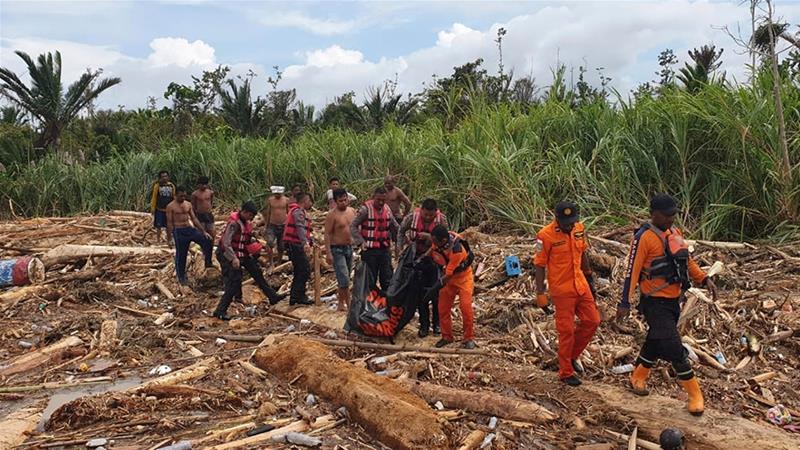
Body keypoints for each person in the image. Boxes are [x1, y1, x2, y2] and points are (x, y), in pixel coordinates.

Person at [617, 193, 717, 416]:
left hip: (674, 300)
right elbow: (631, 271)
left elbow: (687, 261)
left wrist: (704, 278)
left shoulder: (675, 233)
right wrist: (624, 301)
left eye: (674, 215)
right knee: (673, 346)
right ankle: (694, 394)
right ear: (654, 214)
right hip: (654, 302)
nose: (672, 219)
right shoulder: (643, 238)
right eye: (667, 216)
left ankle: (638, 376)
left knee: (656, 339)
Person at [533, 201, 600, 387]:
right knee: (566, 331)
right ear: (557, 219)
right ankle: (565, 371)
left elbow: (583, 253)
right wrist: (540, 293)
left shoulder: (579, 228)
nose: (569, 226)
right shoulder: (545, 235)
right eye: (566, 223)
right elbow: (539, 264)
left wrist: (589, 277)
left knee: (593, 321)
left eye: (572, 222)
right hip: (562, 290)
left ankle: (571, 356)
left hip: (581, 284)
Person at [213, 201, 286, 320]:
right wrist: (233, 258)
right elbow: (226, 242)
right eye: (251, 216)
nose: (251, 219)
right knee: (233, 281)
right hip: (227, 254)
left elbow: (245, 238)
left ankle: (272, 296)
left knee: (257, 272)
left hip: (242, 253)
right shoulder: (234, 224)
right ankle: (220, 310)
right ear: (244, 212)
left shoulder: (245, 223)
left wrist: (255, 244)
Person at [431, 225, 476, 349]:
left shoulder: (457, 250)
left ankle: (468, 338)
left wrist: (434, 289)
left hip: (463, 278)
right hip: (449, 280)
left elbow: (448, 275)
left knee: (465, 308)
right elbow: (433, 252)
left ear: (443, 241)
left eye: (434, 241)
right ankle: (447, 337)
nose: (433, 244)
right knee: (443, 309)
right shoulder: (440, 241)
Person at [350, 187, 399, 292]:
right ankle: (369, 304)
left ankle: (387, 302)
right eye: (378, 200)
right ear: (374, 197)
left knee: (387, 278)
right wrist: (361, 242)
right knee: (369, 280)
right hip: (370, 250)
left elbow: (394, 226)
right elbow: (353, 226)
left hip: (384, 249)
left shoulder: (387, 209)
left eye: (383, 200)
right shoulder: (365, 210)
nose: (381, 202)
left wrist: (400, 240)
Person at [166, 186, 213, 286]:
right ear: (175, 195)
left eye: (184, 196)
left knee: (207, 240)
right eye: (180, 196)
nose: (182, 198)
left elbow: (194, 219)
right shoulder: (171, 206)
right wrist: (169, 238)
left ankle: (208, 262)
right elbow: (169, 223)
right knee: (181, 255)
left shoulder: (188, 204)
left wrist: (203, 231)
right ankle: (181, 277)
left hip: (189, 228)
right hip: (179, 231)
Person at [324, 188, 356, 311]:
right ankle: (348, 303)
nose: (343, 202)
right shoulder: (332, 215)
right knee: (344, 278)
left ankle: (340, 303)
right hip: (337, 249)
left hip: (349, 247)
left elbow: (355, 227)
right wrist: (328, 253)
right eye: (340, 201)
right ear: (335, 201)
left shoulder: (352, 211)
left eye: (345, 200)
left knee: (345, 278)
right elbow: (327, 234)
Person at [283, 192, 315, 306]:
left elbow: (305, 231)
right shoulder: (298, 212)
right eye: (310, 202)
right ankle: (298, 296)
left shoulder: (296, 211)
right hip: (295, 245)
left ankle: (295, 296)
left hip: (295, 244)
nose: (311, 204)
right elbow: (300, 228)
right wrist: (305, 243)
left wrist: (311, 241)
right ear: (305, 201)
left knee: (299, 270)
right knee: (304, 269)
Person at [263, 185, 289, 264]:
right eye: (276, 194)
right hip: (272, 224)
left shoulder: (286, 200)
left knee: (281, 246)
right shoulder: (270, 200)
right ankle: (271, 262)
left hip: (283, 225)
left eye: (278, 194)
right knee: (270, 243)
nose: (277, 195)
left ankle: (279, 262)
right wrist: (266, 225)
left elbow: (288, 212)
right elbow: (268, 212)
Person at [150, 170, 175, 244]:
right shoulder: (157, 186)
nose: (164, 178)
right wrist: (153, 208)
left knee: (169, 225)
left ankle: (169, 240)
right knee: (158, 225)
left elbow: (173, 197)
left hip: (169, 209)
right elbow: (154, 197)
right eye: (163, 176)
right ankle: (158, 240)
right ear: (160, 178)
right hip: (159, 208)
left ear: (168, 177)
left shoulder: (171, 186)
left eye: (166, 176)